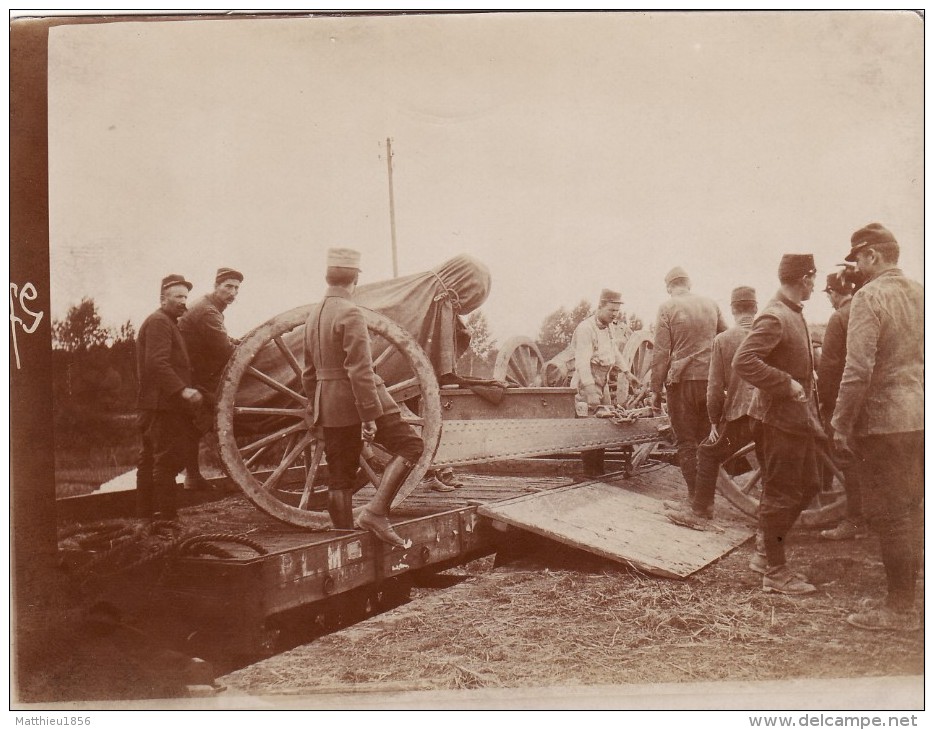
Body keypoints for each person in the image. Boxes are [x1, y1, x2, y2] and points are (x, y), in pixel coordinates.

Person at [831, 223, 923, 632]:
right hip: (921, 418)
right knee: (914, 509)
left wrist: (840, 422)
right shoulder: (921, 291)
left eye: (858, 260)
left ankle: (901, 609)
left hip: (885, 423)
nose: (857, 268)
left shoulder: (870, 296)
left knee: (891, 516)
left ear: (872, 255)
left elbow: (858, 369)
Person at [301, 247, 424, 547]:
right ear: (355, 278)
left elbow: (307, 373)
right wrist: (368, 415)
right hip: (357, 400)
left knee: (339, 475)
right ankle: (376, 512)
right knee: (411, 445)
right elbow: (359, 370)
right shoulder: (350, 312)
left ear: (327, 277)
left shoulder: (312, 314)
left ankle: (344, 541)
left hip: (328, 404)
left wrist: (318, 407)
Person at [733, 254, 824, 595]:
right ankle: (774, 570)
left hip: (795, 421)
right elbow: (744, 360)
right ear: (803, 278)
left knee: (810, 483)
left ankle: (763, 551)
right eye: (813, 278)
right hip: (777, 421)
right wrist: (786, 383)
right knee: (781, 493)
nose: (815, 284)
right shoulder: (774, 315)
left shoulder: (792, 313)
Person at [667, 286, 758, 531]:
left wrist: (715, 422)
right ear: (756, 308)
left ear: (732, 309)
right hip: (773, 415)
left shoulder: (724, 340)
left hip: (744, 415)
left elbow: (714, 389)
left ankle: (701, 509)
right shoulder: (770, 334)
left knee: (708, 452)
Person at [651, 267, 727, 500]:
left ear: (668, 287)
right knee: (708, 440)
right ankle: (706, 500)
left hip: (681, 383)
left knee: (686, 442)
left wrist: (655, 390)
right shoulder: (711, 304)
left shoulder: (667, 308)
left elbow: (661, 353)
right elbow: (726, 337)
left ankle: (695, 497)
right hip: (710, 381)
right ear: (689, 284)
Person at [135, 274, 203, 521]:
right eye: (178, 296)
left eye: (186, 296)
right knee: (164, 463)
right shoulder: (159, 322)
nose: (183, 301)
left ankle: (146, 518)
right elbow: (156, 362)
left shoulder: (167, 321)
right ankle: (167, 520)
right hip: (162, 406)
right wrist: (181, 390)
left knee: (149, 461)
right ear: (163, 298)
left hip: (155, 404)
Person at [178, 267, 244, 491]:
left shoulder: (210, 307)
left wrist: (243, 342)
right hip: (195, 377)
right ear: (216, 286)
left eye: (236, 288)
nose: (233, 293)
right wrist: (249, 350)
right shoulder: (207, 311)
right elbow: (224, 349)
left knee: (191, 427)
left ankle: (192, 477)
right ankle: (192, 478)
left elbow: (222, 339)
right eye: (228, 287)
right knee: (198, 423)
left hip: (193, 374)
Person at [816, 267, 867, 541]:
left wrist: (826, 405)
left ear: (836, 293)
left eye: (830, 294)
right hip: (870, 400)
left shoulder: (839, 318)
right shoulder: (867, 309)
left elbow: (830, 367)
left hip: (845, 401)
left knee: (847, 461)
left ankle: (855, 521)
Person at [571, 288, 630, 477]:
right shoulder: (586, 329)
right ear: (600, 307)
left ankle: (599, 472)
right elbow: (581, 362)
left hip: (602, 382)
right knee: (589, 429)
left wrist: (627, 372)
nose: (614, 315)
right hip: (586, 382)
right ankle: (590, 474)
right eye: (611, 310)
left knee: (603, 427)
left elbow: (614, 351)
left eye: (616, 311)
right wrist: (590, 391)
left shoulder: (610, 327)